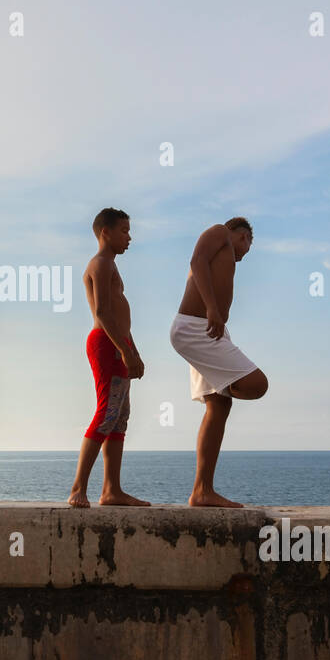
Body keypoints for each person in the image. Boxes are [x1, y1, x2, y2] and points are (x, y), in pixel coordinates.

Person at [168, 217, 268, 508]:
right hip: (196, 327)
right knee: (257, 384)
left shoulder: (227, 246)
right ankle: (202, 490)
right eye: (247, 244)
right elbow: (197, 260)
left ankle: (202, 490)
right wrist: (212, 307)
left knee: (220, 405)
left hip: (209, 330)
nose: (245, 253)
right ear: (242, 235)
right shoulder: (219, 232)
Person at [68, 208, 149, 508]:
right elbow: (102, 312)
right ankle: (78, 488)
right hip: (106, 343)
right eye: (125, 231)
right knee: (107, 412)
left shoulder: (111, 265)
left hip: (118, 343)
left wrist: (133, 349)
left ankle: (112, 490)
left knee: (119, 417)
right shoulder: (100, 264)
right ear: (106, 232)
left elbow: (119, 315)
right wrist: (125, 350)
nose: (129, 237)